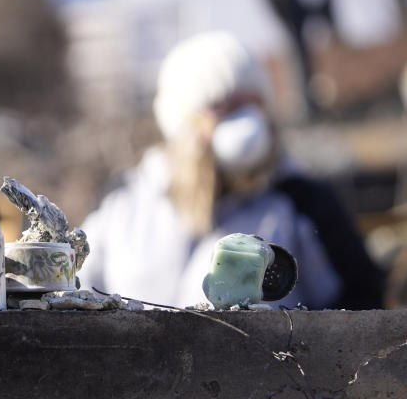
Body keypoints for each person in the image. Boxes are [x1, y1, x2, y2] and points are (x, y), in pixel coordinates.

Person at [76, 31, 384, 310]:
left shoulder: (302, 201)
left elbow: (359, 305)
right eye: (225, 107)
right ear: (184, 122)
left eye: (253, 103)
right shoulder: (125, 202)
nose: (247, 121)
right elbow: (75, 289)